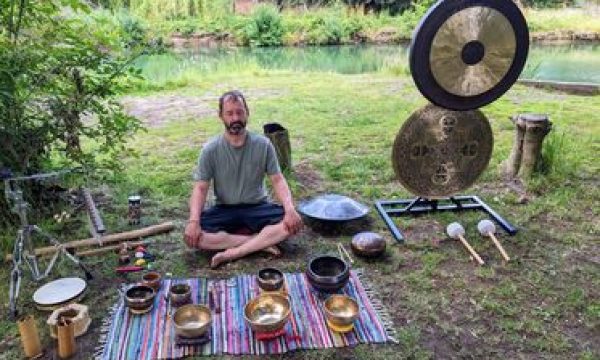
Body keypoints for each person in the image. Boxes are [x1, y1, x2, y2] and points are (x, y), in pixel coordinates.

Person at [184, 90, 303, 268]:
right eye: (229, 113)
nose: (235, 118)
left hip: (257, 207)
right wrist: (193, 221)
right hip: (224, 209)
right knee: (195, 237)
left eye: (239, 112)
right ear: (221, 116)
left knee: (291, 224)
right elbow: (200, 188)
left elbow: (277, 180)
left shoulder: (263, 145)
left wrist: (290, 209)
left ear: (247, 113)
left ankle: (235, 251)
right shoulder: (210, 149)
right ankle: (259, 243)